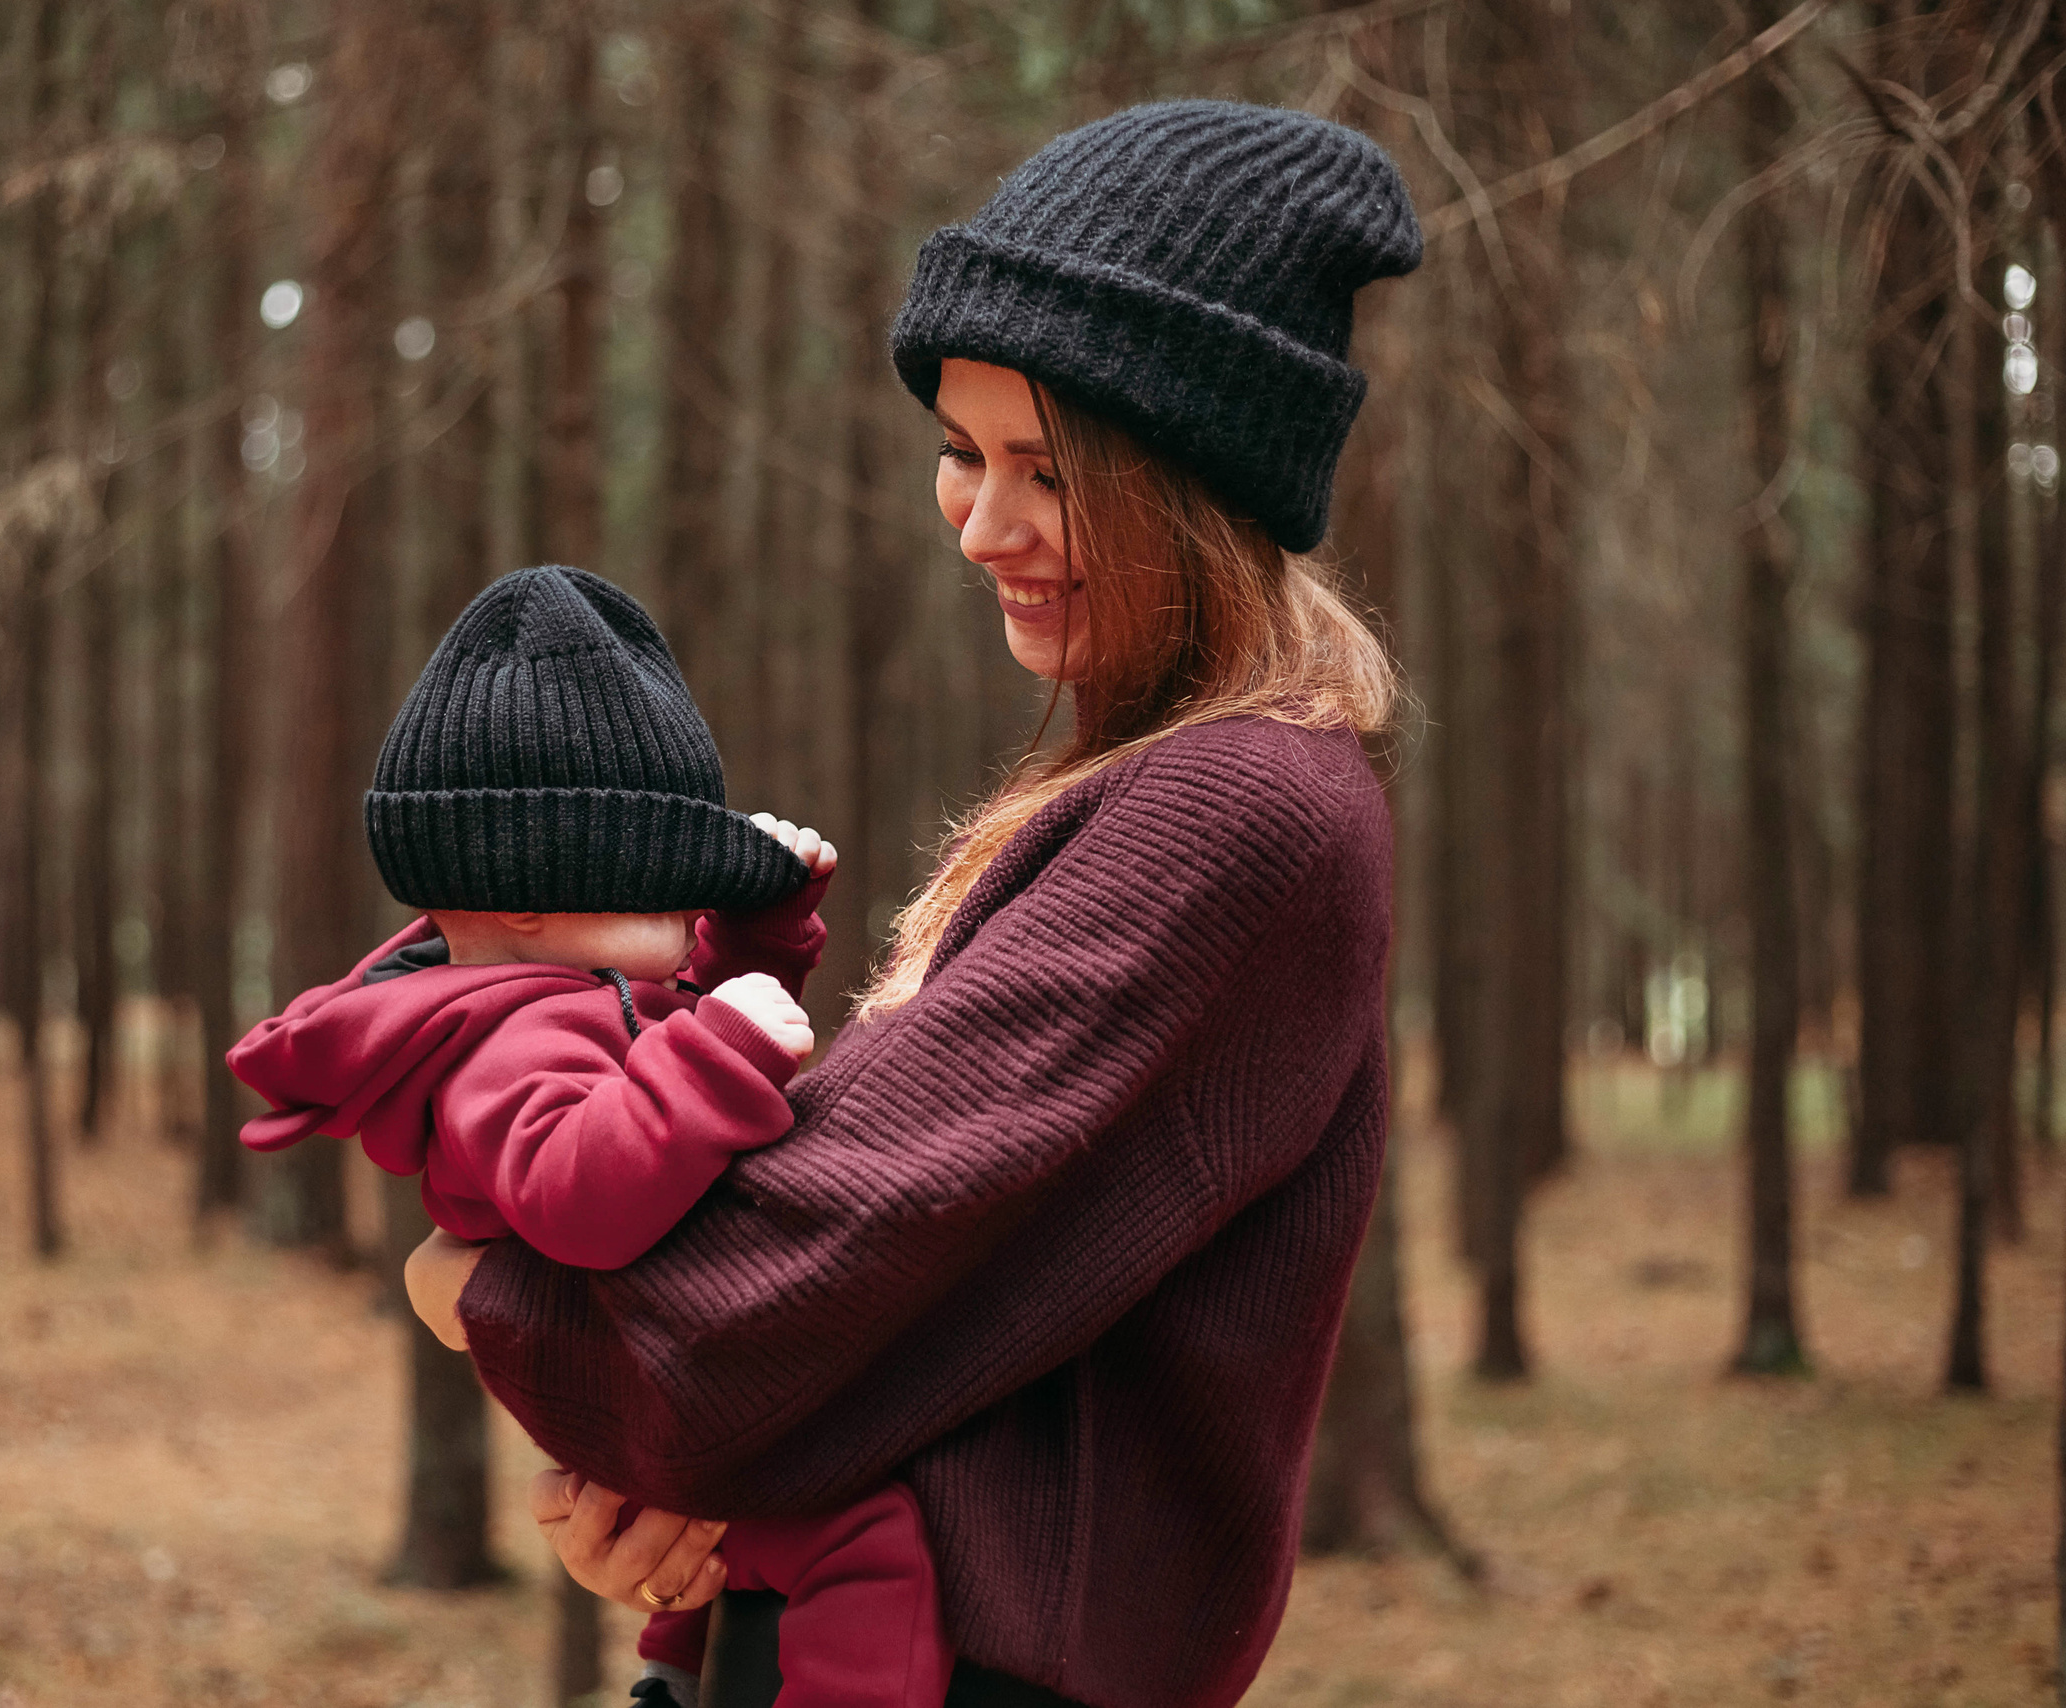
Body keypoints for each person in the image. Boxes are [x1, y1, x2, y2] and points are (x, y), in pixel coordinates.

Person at [406, 99, 1424, 1708]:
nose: (981, 525)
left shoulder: (1242, 816)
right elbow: (888, 1302)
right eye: (961, 452)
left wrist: (473, 1289)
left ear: (1199, 475)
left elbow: (767, 1298)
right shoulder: (1177, 795)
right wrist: (690, 1498)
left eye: (1049, 469)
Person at [228, 564, 954, 1708]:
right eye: (665, 883)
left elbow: (667, 1072)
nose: (688, 907)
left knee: (732, 1542)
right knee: (864, 1534)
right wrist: (721, 1047)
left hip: (661, 1364)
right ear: (528, 890)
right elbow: (585, 1194)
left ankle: (675, 1666)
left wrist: (760, 939)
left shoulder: (565, 993)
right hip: (648, 1370)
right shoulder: (508, 1040)